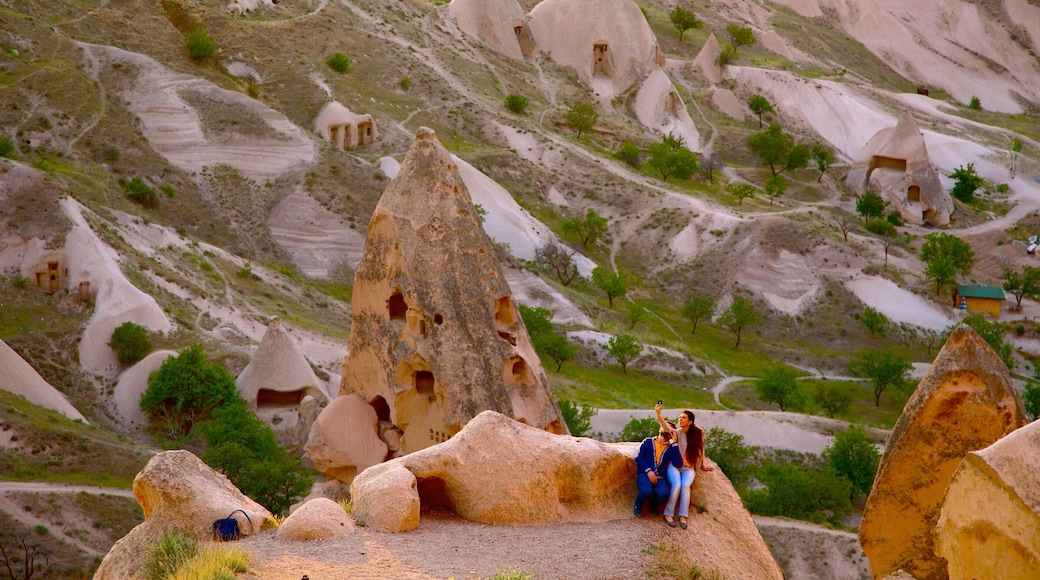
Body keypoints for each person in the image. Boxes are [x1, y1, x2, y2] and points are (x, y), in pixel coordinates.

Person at [656, 404, 713, 529]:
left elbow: (700, 450)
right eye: (680, 417)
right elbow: (665, 427)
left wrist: (702, 464)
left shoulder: (698, 434)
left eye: (683, 418)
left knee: (685, 486)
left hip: (689, 467)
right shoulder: (676, 432)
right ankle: (668, 514)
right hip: (675, 466)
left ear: (690, 421)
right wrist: (659, 414)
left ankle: (683, 515)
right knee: (676, 485)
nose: (680, 419)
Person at [634, 426, 681, 520]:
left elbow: (677, 463)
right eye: (665, 426)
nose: (667, 429)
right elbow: (639, 457)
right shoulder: (648, 442)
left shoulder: (671, 448)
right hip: (645, 473)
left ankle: (653, 504)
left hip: (659, 477)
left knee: (664, 494)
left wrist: (675, 444)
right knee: (646, 491)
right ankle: (637, 506)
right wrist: (648, 471)